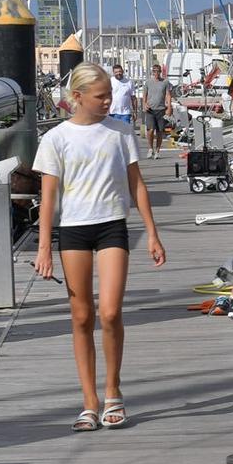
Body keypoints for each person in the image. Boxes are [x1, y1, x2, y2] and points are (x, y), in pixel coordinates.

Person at [34, 64, 166, 432]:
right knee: (81, 316)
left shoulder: (120, 133)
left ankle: (113, 390)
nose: (109, 101)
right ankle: (89, 399)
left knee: (109, 312)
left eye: (110, 94)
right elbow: (47, 199)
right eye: (101, 96)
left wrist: (152, 232)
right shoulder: (56, 139)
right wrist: (44, 247)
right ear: (77, 97)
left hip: (111, 225)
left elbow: (137, 185)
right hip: (73, 229)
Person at [143, 64, 170, 156]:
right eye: (154, 71)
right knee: (150, 130)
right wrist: (144, 104)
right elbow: (145, 95)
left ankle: (157, 150)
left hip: (161, 109)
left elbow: (168, 95)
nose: (156, 73)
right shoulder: (148, 82)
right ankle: (150, 148)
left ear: (160, 72)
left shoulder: (165, 82)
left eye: (158, 71)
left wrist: (169, 107)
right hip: (150, 109)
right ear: (152, 72)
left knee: (160, 131)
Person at [109, 63, 135, 130]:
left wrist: (134, 111)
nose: (118, 73)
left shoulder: (129, 82)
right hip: (112, 113)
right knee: (114, 134)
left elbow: (133, 98)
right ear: (113, 73)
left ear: (122, 71)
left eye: (120, 71)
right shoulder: (110, 81)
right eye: (116, 72)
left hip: (125, 113)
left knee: (125, 133)